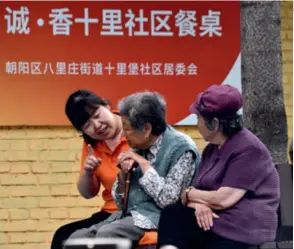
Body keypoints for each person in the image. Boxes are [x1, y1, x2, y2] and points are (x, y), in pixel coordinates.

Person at [66, 91, 201, 247]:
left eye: (127, 129)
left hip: (158, 217)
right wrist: (123, 177)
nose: (124, 134)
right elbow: (121, 202)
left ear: (147, 128)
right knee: (77, 239)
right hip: (130, 214)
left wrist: (144, 165)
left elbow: (169, 201)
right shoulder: (139, 145)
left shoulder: (182, 149)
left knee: (108, 235)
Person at [157, 85, 280, 249]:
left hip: (241, 229)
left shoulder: (249, 148)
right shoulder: (211, 148)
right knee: (172, 213)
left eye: (198, 118)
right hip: (214, 222)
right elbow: (197, 194)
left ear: (214, 124)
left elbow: (223, 200)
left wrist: (189, 193)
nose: (198, 123)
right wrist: (197, 204)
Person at [51, 90, 129, 249]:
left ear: (106, 105)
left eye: (97, 115)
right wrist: (88, 172)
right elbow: (88, 193)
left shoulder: (135, 127)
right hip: (111, 212)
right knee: (62, 236)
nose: (97, 126)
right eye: (87, 125)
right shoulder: (92, 144)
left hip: (140, 210)